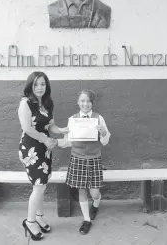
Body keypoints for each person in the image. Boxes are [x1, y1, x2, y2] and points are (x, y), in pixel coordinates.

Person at [18, 71, 68, 241]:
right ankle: (30, 221)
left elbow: (51, 126)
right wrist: (47, 140)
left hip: (44, 149)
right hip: (31, 150)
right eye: (36, 84)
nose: (40, 87)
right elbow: (28, 129)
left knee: (42, 185)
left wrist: (61, 131)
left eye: (43, 84)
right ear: (30, 85)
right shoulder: (25, 103)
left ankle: (38, 217)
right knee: (39, 186)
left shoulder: (47, 103)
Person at [57, 89, 111, 235]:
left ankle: (96, 203)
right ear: (78, 102)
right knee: (81, 190)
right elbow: (68, 142)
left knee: (94, 193)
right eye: (82, 101)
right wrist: (58, 138)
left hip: (94, 159)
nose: (85, 104)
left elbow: (105, 141)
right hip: (78, 158)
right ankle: (87, 220)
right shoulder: (73, 119)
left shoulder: (99, 118)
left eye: (88, 101)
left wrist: (104, 133)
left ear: (92, 103)